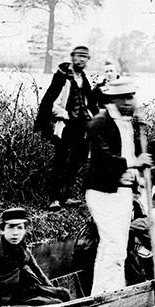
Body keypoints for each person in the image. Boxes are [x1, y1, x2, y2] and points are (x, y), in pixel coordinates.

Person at [84, 80, 152, 295]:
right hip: (103, 193)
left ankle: (103, 292)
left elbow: (128, 156)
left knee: (114, 248)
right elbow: (104, 159)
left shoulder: (127, 123)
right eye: (129, 97)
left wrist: (136, 178)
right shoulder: (99, 123)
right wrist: (134, 163)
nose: (133, 102)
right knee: (113, 246)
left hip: (121, 193)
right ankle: (110, 295)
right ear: (117, 99)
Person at [0, 207, 71, 307]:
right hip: (8, 299)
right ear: (2, 229)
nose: (15, 233)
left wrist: (50, 288)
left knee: (64, 294)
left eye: (19, 228)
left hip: (26, 290)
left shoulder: (22, 248)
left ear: (25, 230)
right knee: (54, 304)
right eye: (10, 227)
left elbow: (37, 271)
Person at [35, 45, 99, 211]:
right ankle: (54, 198)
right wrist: (66, 115)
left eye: (85, 57)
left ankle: (66, 196)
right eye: (79, 56)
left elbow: (88, 103)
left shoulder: (83, 79)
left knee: (77, 161)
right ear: (72, 57)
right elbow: (50, 103)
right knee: (60, 161)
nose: (82, 60)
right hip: (65, 126)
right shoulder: (62, 77)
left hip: (82, 127)